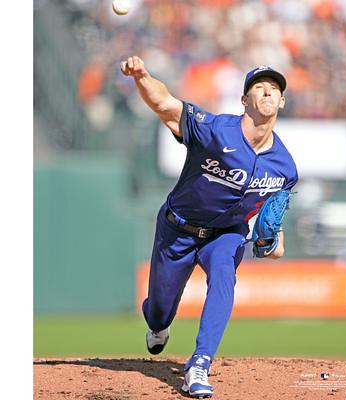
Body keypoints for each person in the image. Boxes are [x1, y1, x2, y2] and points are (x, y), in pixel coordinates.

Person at [120, 56, 298, 398]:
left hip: (226, 234)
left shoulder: (285, 167)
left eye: (274, 88)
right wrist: (141, 75)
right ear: (244, 100)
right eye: (258, 87)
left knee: (224, 277)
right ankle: (158, 326)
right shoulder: (215, 130)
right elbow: (164, 104)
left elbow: (276, 243)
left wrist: (269, 245)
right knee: (159, 311)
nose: (266, 92)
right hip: (178, 229)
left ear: (282, 101)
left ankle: (199, 364)